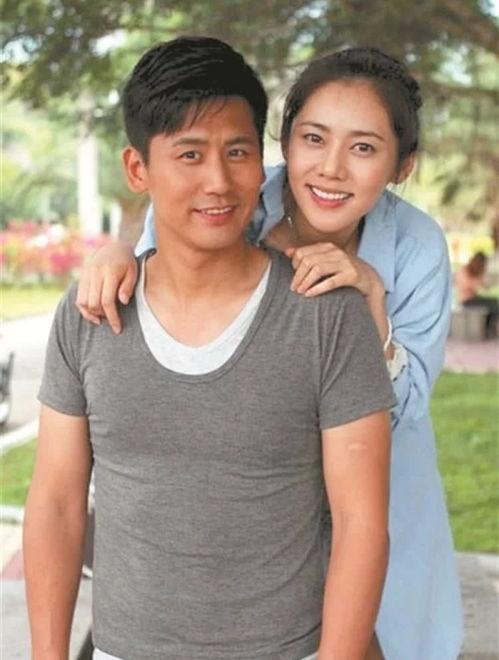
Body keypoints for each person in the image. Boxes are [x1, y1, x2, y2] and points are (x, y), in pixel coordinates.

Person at [76, 45, 464, 660]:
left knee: (377, 633)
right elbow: (164, 252)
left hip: (374, 486)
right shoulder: (236, 193)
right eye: (313, 139)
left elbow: (408, 405)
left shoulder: (416, 247)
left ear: (402, 166)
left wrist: (372, 309)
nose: (331, 169)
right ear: (283, 141)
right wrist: (115, 253)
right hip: (254, 514)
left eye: (364, 148)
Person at [455, 251, 498, 338]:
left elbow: (483, 286)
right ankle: (488, 328)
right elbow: (469, 285)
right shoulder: (464, 271)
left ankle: (489, 327)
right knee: (493, 305)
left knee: (494, 303)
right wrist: (478, 282)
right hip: (466, 300)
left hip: (474, 298)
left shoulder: (477, 272)